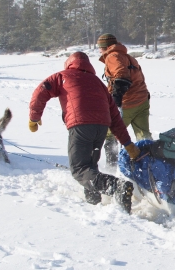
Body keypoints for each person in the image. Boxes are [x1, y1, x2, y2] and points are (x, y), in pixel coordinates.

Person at [28, 52, 141, 213]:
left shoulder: (62, 76)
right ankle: (93, 202)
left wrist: (34, 117)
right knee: (90, 168)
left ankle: (117, 186)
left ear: (69, 64)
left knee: (79, 169)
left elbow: (41, 91)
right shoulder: (98, 83)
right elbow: (115, 117)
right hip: (101, 127)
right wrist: (127, 144)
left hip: (81, 125)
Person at [97, 34, 151, 165]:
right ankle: (147, 163)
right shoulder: (128, 57)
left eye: (99, 47)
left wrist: (116, 101)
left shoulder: (112, 56)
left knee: (111, 134)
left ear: (104, 47)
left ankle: (113, 166)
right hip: (142, 100)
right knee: (143, 136)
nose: (99, 50)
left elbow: (121, 77)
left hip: (127, 103)